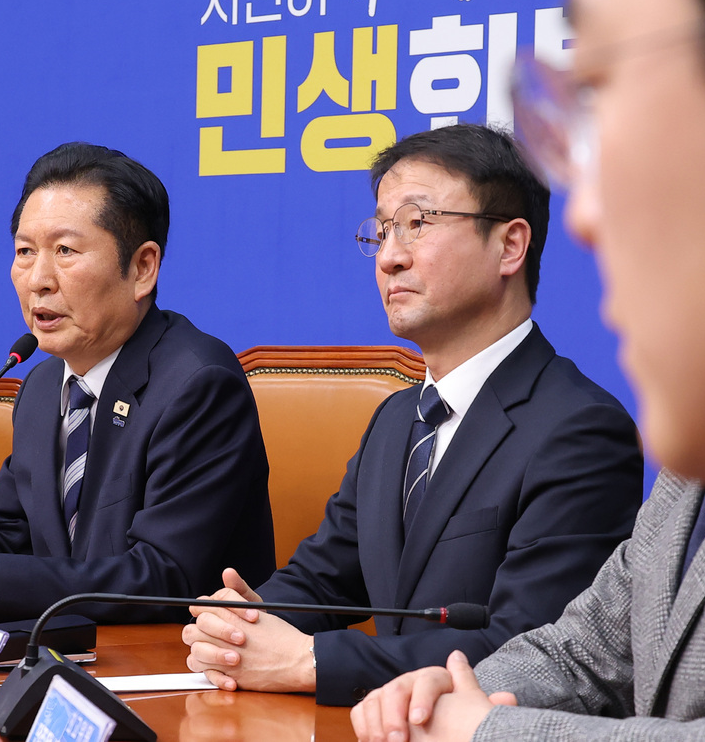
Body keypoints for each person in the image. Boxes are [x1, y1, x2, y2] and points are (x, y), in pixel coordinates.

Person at [351, 0, 705, 739]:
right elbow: (589, 648)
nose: (583, 213)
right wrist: (441, 692)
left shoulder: (583, 424)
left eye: (606, 88)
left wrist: (487, 730)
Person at [182, 123, 644, 706]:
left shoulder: (580, 430)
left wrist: (308, 662)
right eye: (382, 231)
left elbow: (531, 652)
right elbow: (323, 579)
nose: (390, 257)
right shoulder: (396, 418)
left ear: (509, 246)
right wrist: (244, 625)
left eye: (417, 224)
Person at [0, 142, 276, 622]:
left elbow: (165, 575)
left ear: (142, 268)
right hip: (67, 649)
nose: (38, 280)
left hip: (178, 654)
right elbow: (12, 533)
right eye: (25, 252)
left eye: (65, 250)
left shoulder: (198, 384)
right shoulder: (44, 384)